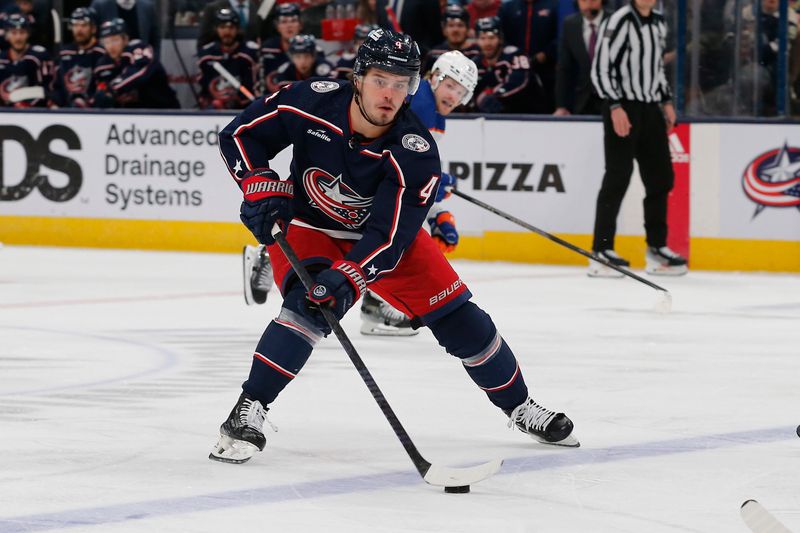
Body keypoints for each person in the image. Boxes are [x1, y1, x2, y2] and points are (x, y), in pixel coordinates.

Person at [210, 28, 578, 465]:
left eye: (402, 83)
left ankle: (520, 406)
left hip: (376, 239)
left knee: (464, 320)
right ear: (358, 77)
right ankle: (247, 410)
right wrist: (258, 185)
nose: (390, 93)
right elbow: (239, 135)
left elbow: (390, 236)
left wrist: (350, 276)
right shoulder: (309, 100)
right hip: (310, 224)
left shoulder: (416, 150)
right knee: (308, 307)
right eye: (381, 79)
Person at [589, 0, 688, 276]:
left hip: (649, 108)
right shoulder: (619, 20)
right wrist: (614, 106)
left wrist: (666, 100)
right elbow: (600, 67)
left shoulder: (658, 21)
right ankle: (601, 250)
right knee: (618, 176)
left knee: (661, 177)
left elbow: (656, 68)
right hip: (622, 107)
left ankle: (657, 248)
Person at [91, 18, 179, 109]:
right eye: (106, 42)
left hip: (162, 110)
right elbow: (98, 90)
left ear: (125, 39)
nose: (111, 46)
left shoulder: (139, 49)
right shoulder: (101, 65)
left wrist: (112, 90)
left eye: (115, 40)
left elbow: (138, 72)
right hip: (126, 115)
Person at [498, 0, 560, 113]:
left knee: (545, 108)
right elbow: (501, 37)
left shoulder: (553, 6)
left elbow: (560, 35)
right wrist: (513, 56)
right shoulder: (508, 8)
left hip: (545, 69)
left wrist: (546, 53)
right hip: (513, 70)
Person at [472, 16, 542, 113]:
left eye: (491, 37)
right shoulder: (475, 63)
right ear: (476, 40)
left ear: (500, 38)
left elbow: (519, 81)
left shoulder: (515, 55)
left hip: (529, 116)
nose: (487, 43)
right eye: (482, 38)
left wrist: (494, 94)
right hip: (492, 120)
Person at [196, 7, 259, 110]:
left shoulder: (249, 53)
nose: (227, 31)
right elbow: (204, 90)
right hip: (213, 111)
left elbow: (254, 88)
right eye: (222, 27)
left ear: (237, 29)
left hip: (244, 110)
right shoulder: (207, 55)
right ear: (216, 29)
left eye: (231, 27)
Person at [553, 0, 607, 116]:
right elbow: (564, 68)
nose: (588, 4)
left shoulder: (615, 21)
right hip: (582, 101)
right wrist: (561, 105)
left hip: (612, 101)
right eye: (583, 0)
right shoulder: (570, 24)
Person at [50, 7, 106, 108]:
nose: (79, 30)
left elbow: (103, 87)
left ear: (93, 28)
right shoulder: (64, 53)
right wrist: (55, 102)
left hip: (95, 112)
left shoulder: (101, 53)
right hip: (67, 112)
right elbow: (56, 85)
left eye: (84, 25)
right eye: (75, 25)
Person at [0, 13, 51, 107]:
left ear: (28, 34)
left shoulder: (39, 56)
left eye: (22, 32)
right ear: (6, 35)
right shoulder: (1, 58)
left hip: (33, 113)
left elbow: (47, 89)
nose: (18, 37)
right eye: (14, 33)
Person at [422, 4, 480, 75]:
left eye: (460, 25)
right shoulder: (434, 54)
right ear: (444, 29)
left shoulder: (477, 53)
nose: (455, 30)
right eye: (451, 25)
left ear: (468, 29)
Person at [90, 0, 160, 58]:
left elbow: (154, 38)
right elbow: (92, 36)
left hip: (140, 61)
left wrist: (154, 60)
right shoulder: (100, 5)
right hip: (110, 62)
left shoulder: (147, 6)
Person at [264, 33, 333, 93]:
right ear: (292, 58)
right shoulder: (284, 71)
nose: (303, 61)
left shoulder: (324, 69)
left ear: (313, 57)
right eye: (298, 57)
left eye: (307, 56)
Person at [260, 3, 302, 86]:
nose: (289, 26)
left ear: (300, 25)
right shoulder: (267, 49)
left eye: (293, 21)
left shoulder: (312, 48)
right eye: (284, 21)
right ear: (277, 26)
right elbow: (261, 83)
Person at [197, 0, 261, 49]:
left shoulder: (258, 8)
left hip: (250, 59)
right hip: (220, 60)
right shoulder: (212, 8)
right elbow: (203, 39)